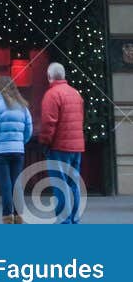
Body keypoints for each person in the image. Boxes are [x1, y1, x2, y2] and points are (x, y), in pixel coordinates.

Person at [39, 61, 85, 225]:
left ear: (49, 76)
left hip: (59, 146)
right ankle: (74, 218)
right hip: (76, 146)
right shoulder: (76, 94)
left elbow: (48, 123)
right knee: (73, 183)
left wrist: (44, 142)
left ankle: (64, 222)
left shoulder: (51, 95)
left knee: (60, 184)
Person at [0, 74, 33, 223]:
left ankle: (7, 216)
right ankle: (19, 215)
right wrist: (20, 142)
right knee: (16, 184)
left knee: (5, 184)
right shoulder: (23, 106)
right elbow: (28, 129)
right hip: (18, 150)